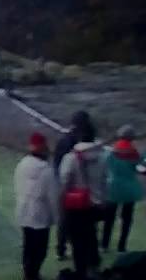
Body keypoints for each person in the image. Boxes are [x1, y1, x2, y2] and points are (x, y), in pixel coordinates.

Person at [59, 125, 107, 279]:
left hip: (77, 206)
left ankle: (81, 271)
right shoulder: (102, 155)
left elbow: (64, 181)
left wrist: (62, 202)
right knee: (91, 235)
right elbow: (105, 179)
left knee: (78, 241)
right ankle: (94, 266)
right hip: (96, 204)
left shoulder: (71, 158)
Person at [15, 132, 60, 280]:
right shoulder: (47, 171)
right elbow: (52, 197)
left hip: (24, 211)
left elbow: (17, 186)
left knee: (28, 246)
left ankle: (28, 272)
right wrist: (57, 217)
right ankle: (33, 274)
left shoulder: (21, 165)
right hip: (41, 215)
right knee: (40, 249)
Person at [54, 110, 95, 261]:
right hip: (76, 186)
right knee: (73, 219)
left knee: (66, 219)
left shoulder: (65, 140)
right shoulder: (75, 141)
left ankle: (62, 248)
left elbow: (57, 165)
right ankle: (69, 248)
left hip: (69, 185)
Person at [103, 125, 145, 254]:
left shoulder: (112, 150)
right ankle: (121, 246)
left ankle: (104, 244)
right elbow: (139, 166)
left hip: (113, 187)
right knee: (126, 218)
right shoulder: (133, 151)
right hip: (128, 188)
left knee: (109, 218)